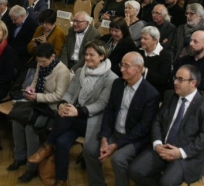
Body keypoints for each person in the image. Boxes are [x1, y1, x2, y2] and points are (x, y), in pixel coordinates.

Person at [28, 40, 117, 186]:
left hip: (93, 120)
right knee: (62, 141)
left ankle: (46, 146)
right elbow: (69, 93)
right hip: (75, 116)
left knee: (64, 118)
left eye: (91, 55)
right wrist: (63, 104)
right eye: (86, 54)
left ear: (102, 56)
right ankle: (60, 180)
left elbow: (101, 104)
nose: (87, 58)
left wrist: (78, 111)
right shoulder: (82, 71)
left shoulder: (111, 78)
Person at [129, 64, 204, 186]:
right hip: (162, 148)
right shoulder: (170, 95)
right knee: (135, 171)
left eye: (180, 79)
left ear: (193, 83)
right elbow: (157, 120)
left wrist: (180, 152)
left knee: (167, 183)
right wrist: (157, 144)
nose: (175, 82)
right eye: (175, 78)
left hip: (186, 155)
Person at [84, 52, 160, 186]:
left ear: (138, 69)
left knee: (118, 159)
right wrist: (104, 138)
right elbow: (109, 112)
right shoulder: (118, 84)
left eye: (126, 66)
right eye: (121, 65)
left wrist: (116, 145)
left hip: (134, 137)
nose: (121, 69)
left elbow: (143, 128)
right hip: (114, 131)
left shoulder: (151, 94)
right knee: (90, 149)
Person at [9, 43, 71, 182]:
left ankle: (32, 167)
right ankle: (20, 157)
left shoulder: (62, 71)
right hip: (38, 103)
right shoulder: (40, 64)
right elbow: (35, 81)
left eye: (43, 62)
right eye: (39, 61)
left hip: (53, 108)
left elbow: (59, 96)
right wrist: (30, 89)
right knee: (17, 121)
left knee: (31, 128)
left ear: (52, 57)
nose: (40, 64)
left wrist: (37, 96)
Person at [173, 31, 204, 100]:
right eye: (191, 40)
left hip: (202, 100)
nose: (191, 44)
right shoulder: (182, 60)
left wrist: (184, 83)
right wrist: (198, 83)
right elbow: (174, 80)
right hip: (180, 96)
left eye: (195, 42)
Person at [137, 26, 173, 98]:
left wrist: (145, 70)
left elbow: (162, 78)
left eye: (145, 39)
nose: (142, 41)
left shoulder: (165, 55)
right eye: (141, 38)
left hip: (154, 93)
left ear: (155, 40)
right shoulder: (138, 51)